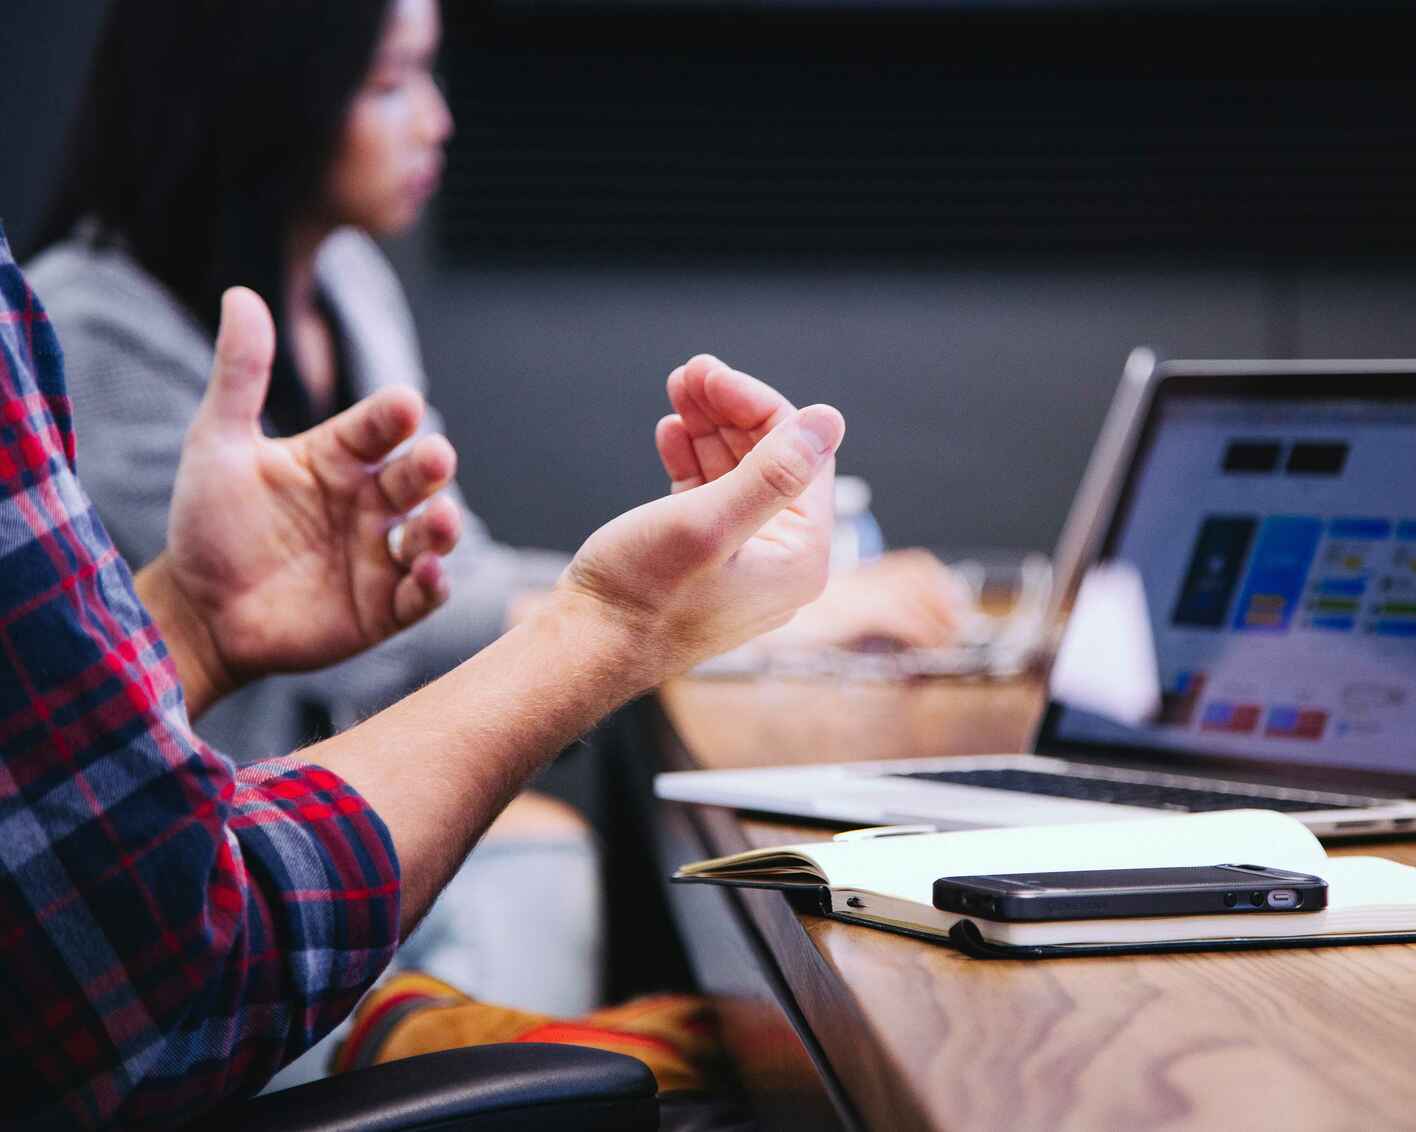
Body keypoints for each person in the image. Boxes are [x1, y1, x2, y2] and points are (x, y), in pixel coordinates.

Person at [0, 224, 847, 1125]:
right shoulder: (90, 320)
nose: (438, 119)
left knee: (550, 859)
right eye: (395, 82)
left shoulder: (350, 279)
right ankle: (403, 1036)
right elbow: (160, 966)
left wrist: (192, 628)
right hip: (187, 1015)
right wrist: (616, 625)